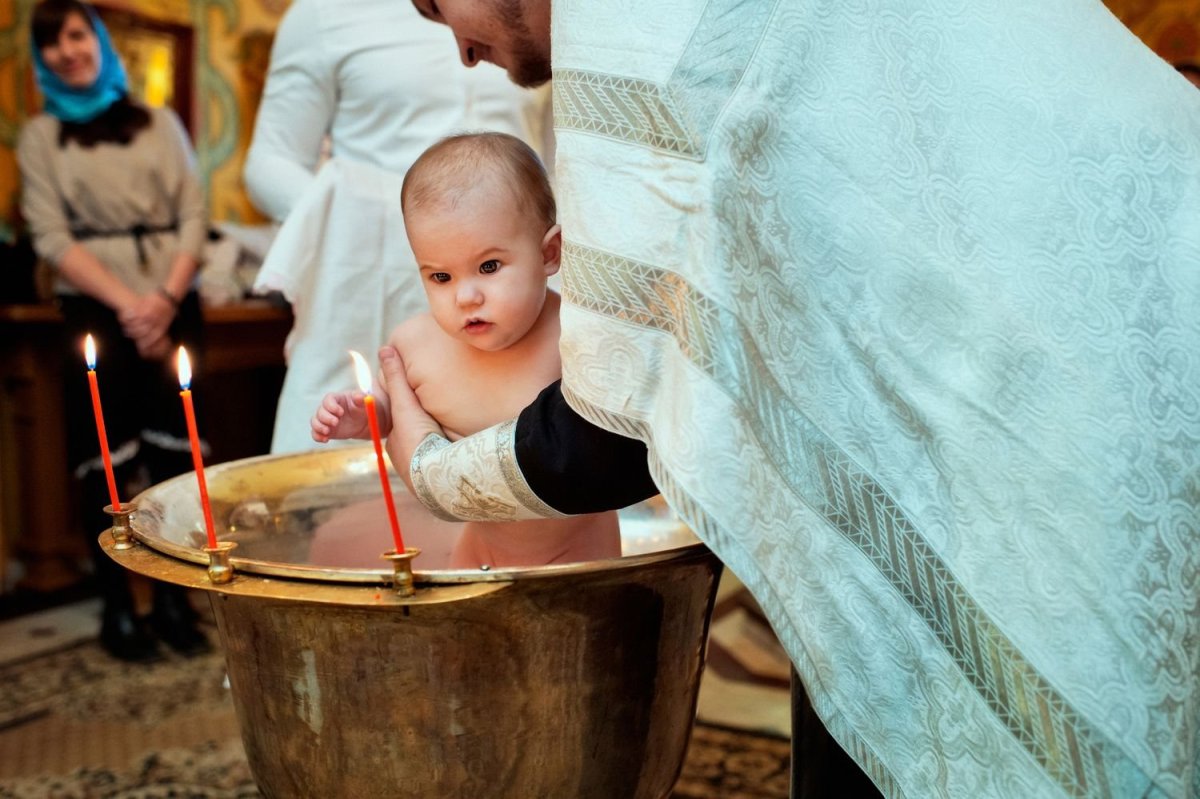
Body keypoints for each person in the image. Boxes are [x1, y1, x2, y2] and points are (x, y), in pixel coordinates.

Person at [381, 1, 1200, 797]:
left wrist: (432, 469)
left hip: (1089, 340)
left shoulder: (620, 19)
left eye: (434, 4)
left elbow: (615, 420)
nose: (458, 49)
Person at [243, 0, 554, 455]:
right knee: (346, 467)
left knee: (519, 441)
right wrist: (379, 225)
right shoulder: (321, 13)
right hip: (364, 275)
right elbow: (269, 163)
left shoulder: (528, 12)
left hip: (513, 278)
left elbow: (554, 156)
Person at [311, 133, 619, 569]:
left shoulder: (574, 334)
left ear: (549, 253)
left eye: (488, 267)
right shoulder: (417, 347)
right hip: (476, 550)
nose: (466, 296)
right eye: (441, 277)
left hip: (578, 554)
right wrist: (363, 415)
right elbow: (394, 413)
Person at [18, 0, 211, 661]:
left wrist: (162, 300)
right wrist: (131, 305)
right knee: (107, 458)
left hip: (174, 299)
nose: (66, 50)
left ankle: (175, 597)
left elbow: (194, 213)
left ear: (97, 41)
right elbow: (49, 235)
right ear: (40, 58)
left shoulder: (161, 123)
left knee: (176, 455)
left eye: (76, 34)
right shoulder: (41, 137)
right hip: (98, 308)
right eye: (50, 43)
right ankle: (116, 605)